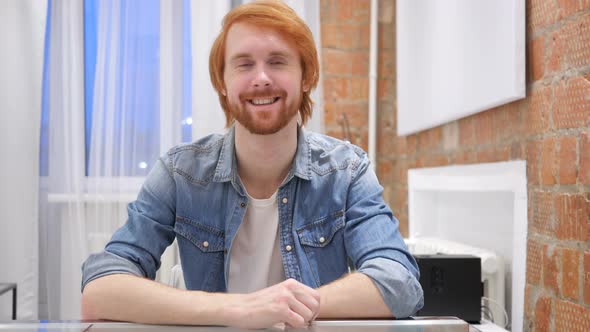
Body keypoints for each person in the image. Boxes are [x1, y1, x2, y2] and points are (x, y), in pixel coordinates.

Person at [81, 0, 423, 329]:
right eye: (244, 64)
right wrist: (241, 309)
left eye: (278, 62)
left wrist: (290, 306)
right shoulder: (179, 172)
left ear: (306, 77)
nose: (261, 78)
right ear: (223, 84)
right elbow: (100, 289)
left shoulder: (347, 171)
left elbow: (399, 281)